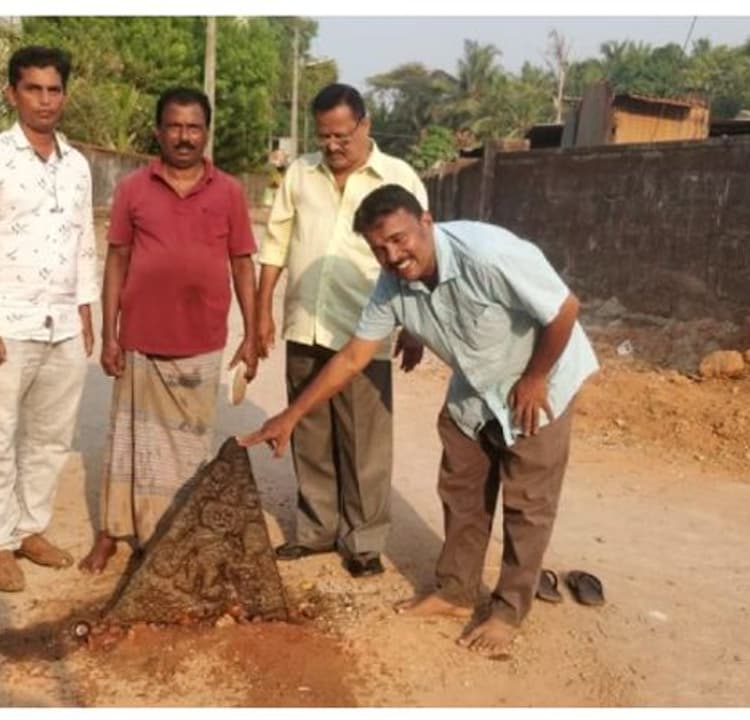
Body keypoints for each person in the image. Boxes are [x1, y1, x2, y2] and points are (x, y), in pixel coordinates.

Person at [243, 184, 598, 657]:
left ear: (425, 222)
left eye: (399, 238)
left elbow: (564, 308)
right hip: (475, 390)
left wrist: (535, 378)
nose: (393, 254)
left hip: (539, 382)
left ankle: (509, 610)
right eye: (379, 248)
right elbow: (352, 358)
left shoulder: (486, 254)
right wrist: (290, 416)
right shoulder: (391, 288)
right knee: (461, 491)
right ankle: (454, 593)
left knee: (528, 504)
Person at [77, 87, 258, 574]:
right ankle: (111, 533)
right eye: (174, 126)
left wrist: (254, 331)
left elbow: (243, 264)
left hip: (201, 341)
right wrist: (111, 334)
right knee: (127, 444)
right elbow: (117, 259)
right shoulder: (133, 188)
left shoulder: (230, 192)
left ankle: (176, 531)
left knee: (187, 446)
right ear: (159, 131)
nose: (183, 136)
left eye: (193, 127)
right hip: (140, 339)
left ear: (206, 133)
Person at [254, 84, 429, 578]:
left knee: (365, 443)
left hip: (364, 331)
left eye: (342, 135)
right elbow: (277, 241)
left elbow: (418, 253)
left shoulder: (399, 177)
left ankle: (364, 540)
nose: (332, 146)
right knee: (309, 432)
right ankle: (315, 530)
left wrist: (413, 327)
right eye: (324, 136)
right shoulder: (300, 174)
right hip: (306, 322)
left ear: (365, 125)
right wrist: (264, 309)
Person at [0, 46, 98, 593]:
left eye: (53, 89)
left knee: (50, 436)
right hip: (5, 320)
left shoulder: (77, 165)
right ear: (13, 93)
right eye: (33, 89)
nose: (44, 100)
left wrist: (86, 310)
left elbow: (84, 241)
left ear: (65, 95)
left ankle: (30, 528)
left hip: (61, 320)